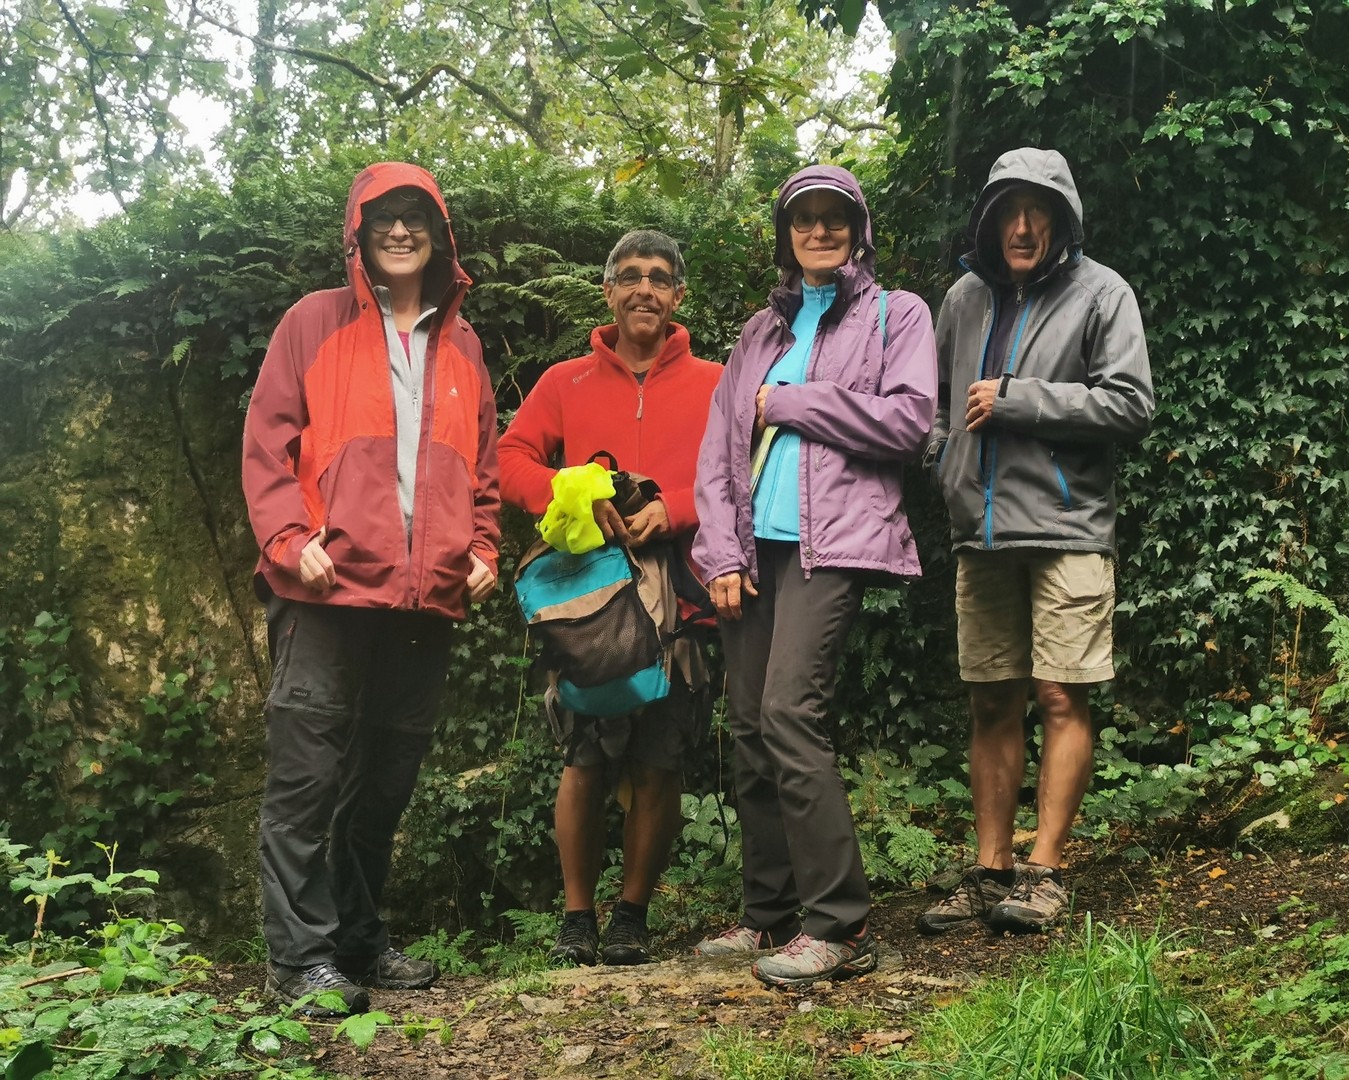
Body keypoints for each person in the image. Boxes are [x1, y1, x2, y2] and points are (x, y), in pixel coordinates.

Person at [242, 163, 502, 1014]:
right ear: (358, 229)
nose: (399, 230)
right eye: (383, 217)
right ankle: (301, 960)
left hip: (425, 602)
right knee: (306, 782)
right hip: (324, 591)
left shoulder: (462, 346)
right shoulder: (311, 323)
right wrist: (286, 538)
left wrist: (486, 549)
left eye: (415, 216)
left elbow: (484, 474)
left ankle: (355, 938)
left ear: (440, 235)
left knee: (385, 783)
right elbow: (268, 440)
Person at [692, 165, 938, 988]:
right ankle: (767, 918)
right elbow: (719, 453)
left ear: (858, 230)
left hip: (827, 545)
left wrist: (795, 403)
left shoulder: (895, 315)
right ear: (786, 236)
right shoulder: (760, 334)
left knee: (790, 713)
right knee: (752, 730)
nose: (821, 232)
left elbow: (909, 422)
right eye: (806, 222)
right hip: (752, 552)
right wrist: (721, 555)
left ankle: (839, 923)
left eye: (836, 219)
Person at [920, 147, 1154, 935]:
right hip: (979, 533)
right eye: (1007, 210)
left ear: (1060, 216)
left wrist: (1021, 400)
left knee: (1060, 695)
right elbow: (942, 411)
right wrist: (946, 467)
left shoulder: (1103, 293)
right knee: (991, 699)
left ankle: (1046, 870)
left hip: (1067, 527)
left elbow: (1130, 405)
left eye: (1037, 209)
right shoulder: (961, 299)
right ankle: (990, 872)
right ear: (988, 218)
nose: (1022, 226)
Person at [498, 229, 722, 967]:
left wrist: (675, 509)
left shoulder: (716, 382)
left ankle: (632, 915)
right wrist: (569, 493)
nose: (644, 289)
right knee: (586, 757)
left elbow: (739, 476)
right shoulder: (565, 381)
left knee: (660, 761)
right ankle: (575, 918)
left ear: (679, 296)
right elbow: (511, 459)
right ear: (608, 291)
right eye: (629, 276)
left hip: (680, 600)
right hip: (591, 601)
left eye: (659, 278)